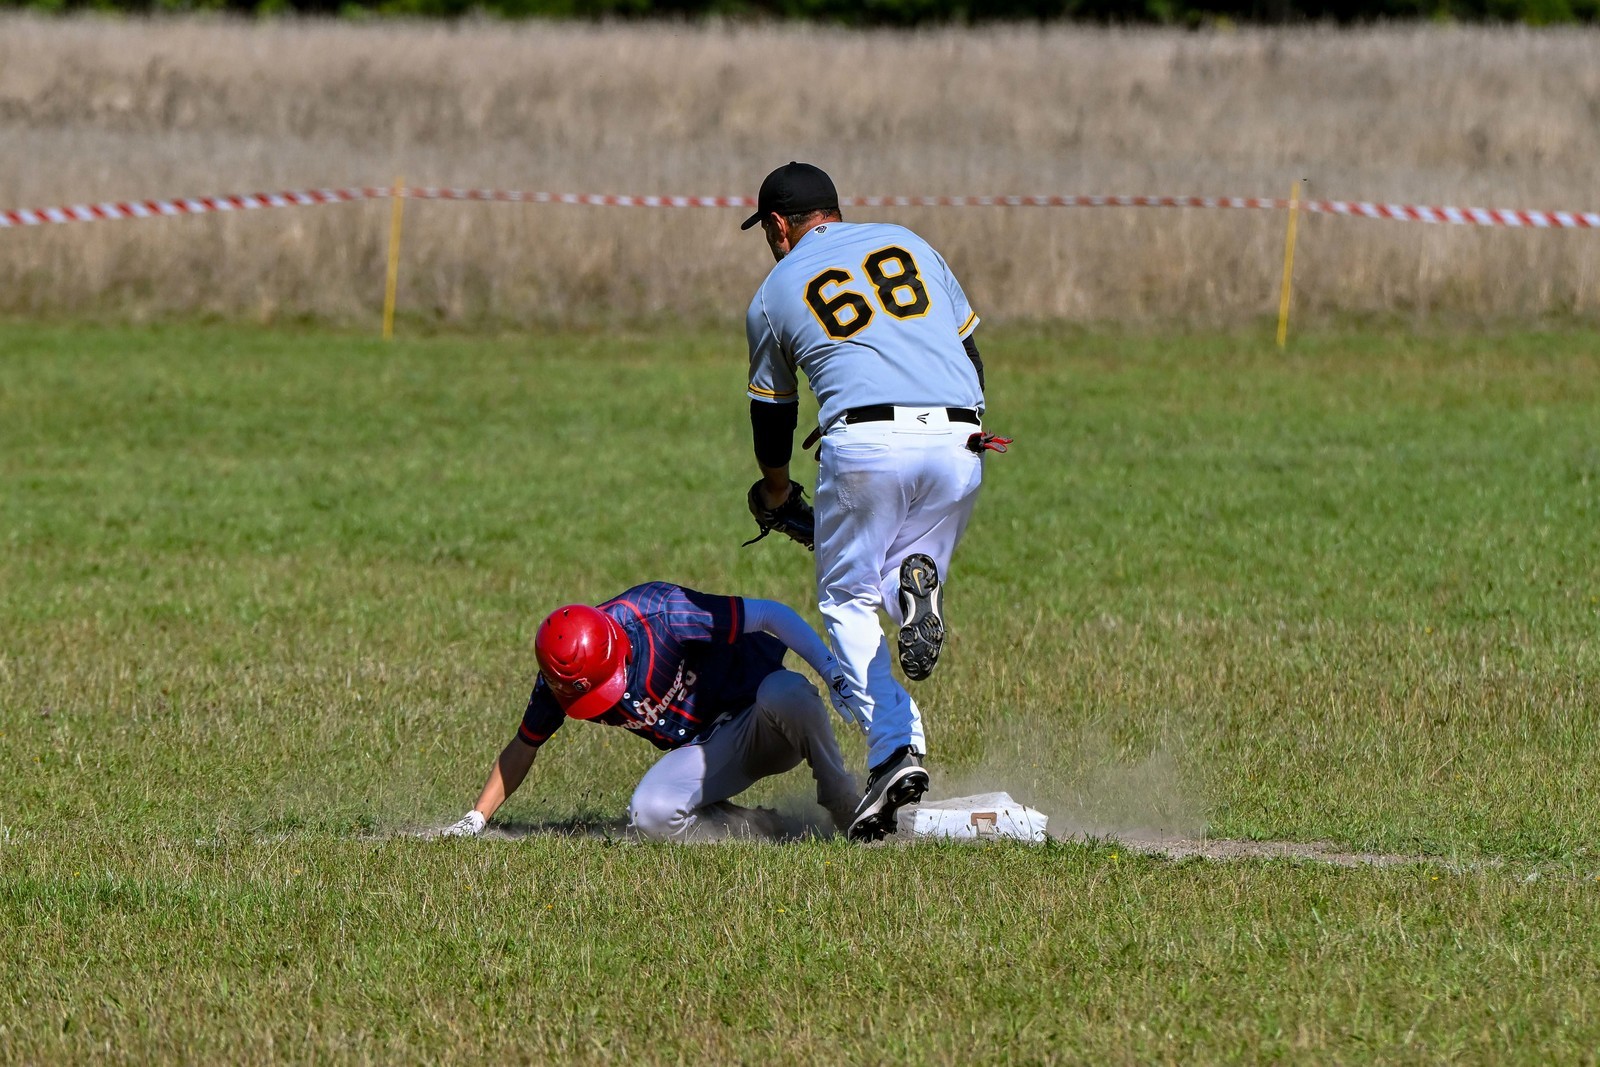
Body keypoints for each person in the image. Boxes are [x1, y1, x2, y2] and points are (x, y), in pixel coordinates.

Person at [741, 161, 1003, 843]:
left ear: (777, 225)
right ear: (834, 209)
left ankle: (893, 747)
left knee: (845, 598)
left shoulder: (774, 290)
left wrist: (774, 492)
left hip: (865, 442)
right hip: (961, 435)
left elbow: (773, 415)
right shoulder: (912, 244)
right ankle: (917, 590)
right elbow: (969, 353)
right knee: (897, 571)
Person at [437, 582, 860, 842]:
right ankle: (763, 828)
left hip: (765, 722)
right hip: (709, 749)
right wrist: (475, 819)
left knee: (788, 691)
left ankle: (843, 799)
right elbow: (524, 745)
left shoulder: (662, 613)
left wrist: (831, 671)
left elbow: (770, 614)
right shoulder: (563, 678)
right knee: (650, 813)